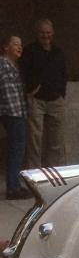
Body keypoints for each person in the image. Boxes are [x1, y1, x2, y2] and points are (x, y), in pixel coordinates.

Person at [19, 18, 67, 167]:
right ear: (36, 33)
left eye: (48, 32)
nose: (45, 35)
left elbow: (64, 73)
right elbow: (23, 72)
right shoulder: (29, 50)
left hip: (56, 100)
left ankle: (54, 171)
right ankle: (35, 173)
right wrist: (31, 90)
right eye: (42, 32)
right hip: (36, 100)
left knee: (56, 140)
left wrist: (61, 92)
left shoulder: (58, 51)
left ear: (53, 33)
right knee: (35, 139)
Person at [0, 36, 30, 200]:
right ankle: (12, 188)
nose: (20, 47)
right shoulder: (2, 64)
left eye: (20, 44)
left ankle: (15, 185)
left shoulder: (14, 66)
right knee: (16, 149)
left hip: (19, 111)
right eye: (15, 44)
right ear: (6, 47)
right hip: (10, 111)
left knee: (17, 149)